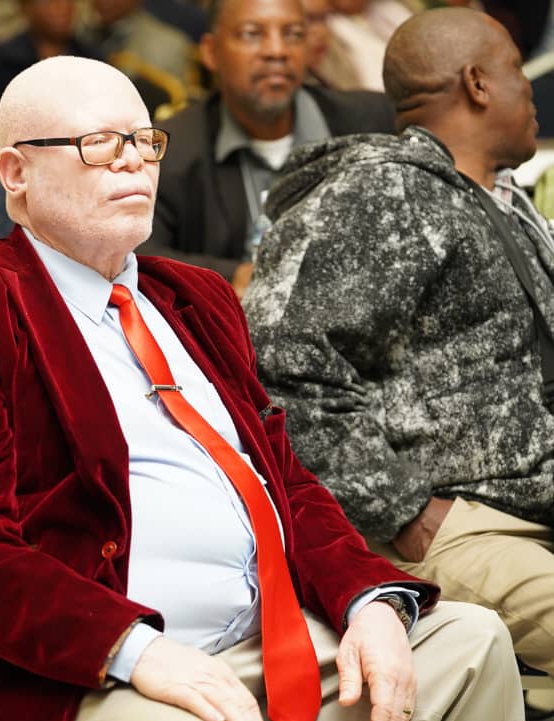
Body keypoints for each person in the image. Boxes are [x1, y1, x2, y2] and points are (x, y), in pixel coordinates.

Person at [0, 54, 523, 721]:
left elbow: (285, 481)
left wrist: (367, 599)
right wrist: (136, 649)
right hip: (92, 668)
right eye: (99, 143)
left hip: (271, 635)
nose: (132, 161)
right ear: (16, 172)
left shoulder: (196, 296)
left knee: (471, 641)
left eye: (144, 141)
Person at [244, 6, 554, 675]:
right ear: (477, 83)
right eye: (516, 71)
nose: (531, 88)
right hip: (464, 522)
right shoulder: (381, 193)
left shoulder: (501, 201)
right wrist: (403, 510)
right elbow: (281, 370)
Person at [149, 0, 394, 294]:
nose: (277, 51)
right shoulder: (172, 149)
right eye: (252, 34)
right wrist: (232, 277)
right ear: (211, 52)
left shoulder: (372, 122)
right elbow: (138, 254)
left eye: (293, 34)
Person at [0, 0, 98, 173]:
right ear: (25, 7)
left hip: (83, 166)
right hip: (5, 170)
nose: (60, 7)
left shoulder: (94, 62)